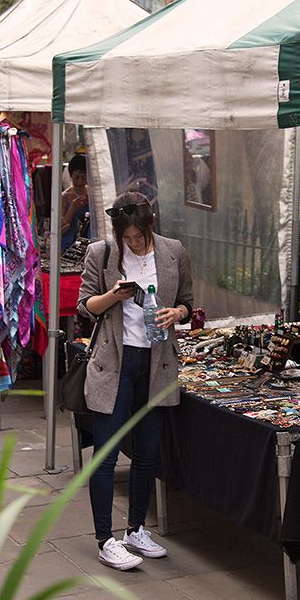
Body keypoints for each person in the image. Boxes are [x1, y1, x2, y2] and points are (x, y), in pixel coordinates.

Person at [78, 191, 193, 571]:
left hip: (156, 361)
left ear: (150, 226)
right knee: (106, 455)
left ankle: (136, 528)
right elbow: (86, 306)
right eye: (126, 237)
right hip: (114, 362)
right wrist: (113, 295)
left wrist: (177, 312)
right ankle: (104, 539)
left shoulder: (173, 251)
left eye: (138, 237)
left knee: (147, 453)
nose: (132, 243)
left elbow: (189, 303)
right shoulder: (103, 253)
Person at [61, 153, 89, 252]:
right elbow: (59, 228)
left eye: (84, 177)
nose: (80, 182)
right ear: (70, 176)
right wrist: (72, 208)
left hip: (87, 244)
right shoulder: (64, 197)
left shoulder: (93, 196)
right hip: (68, 245)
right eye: (76, 177)